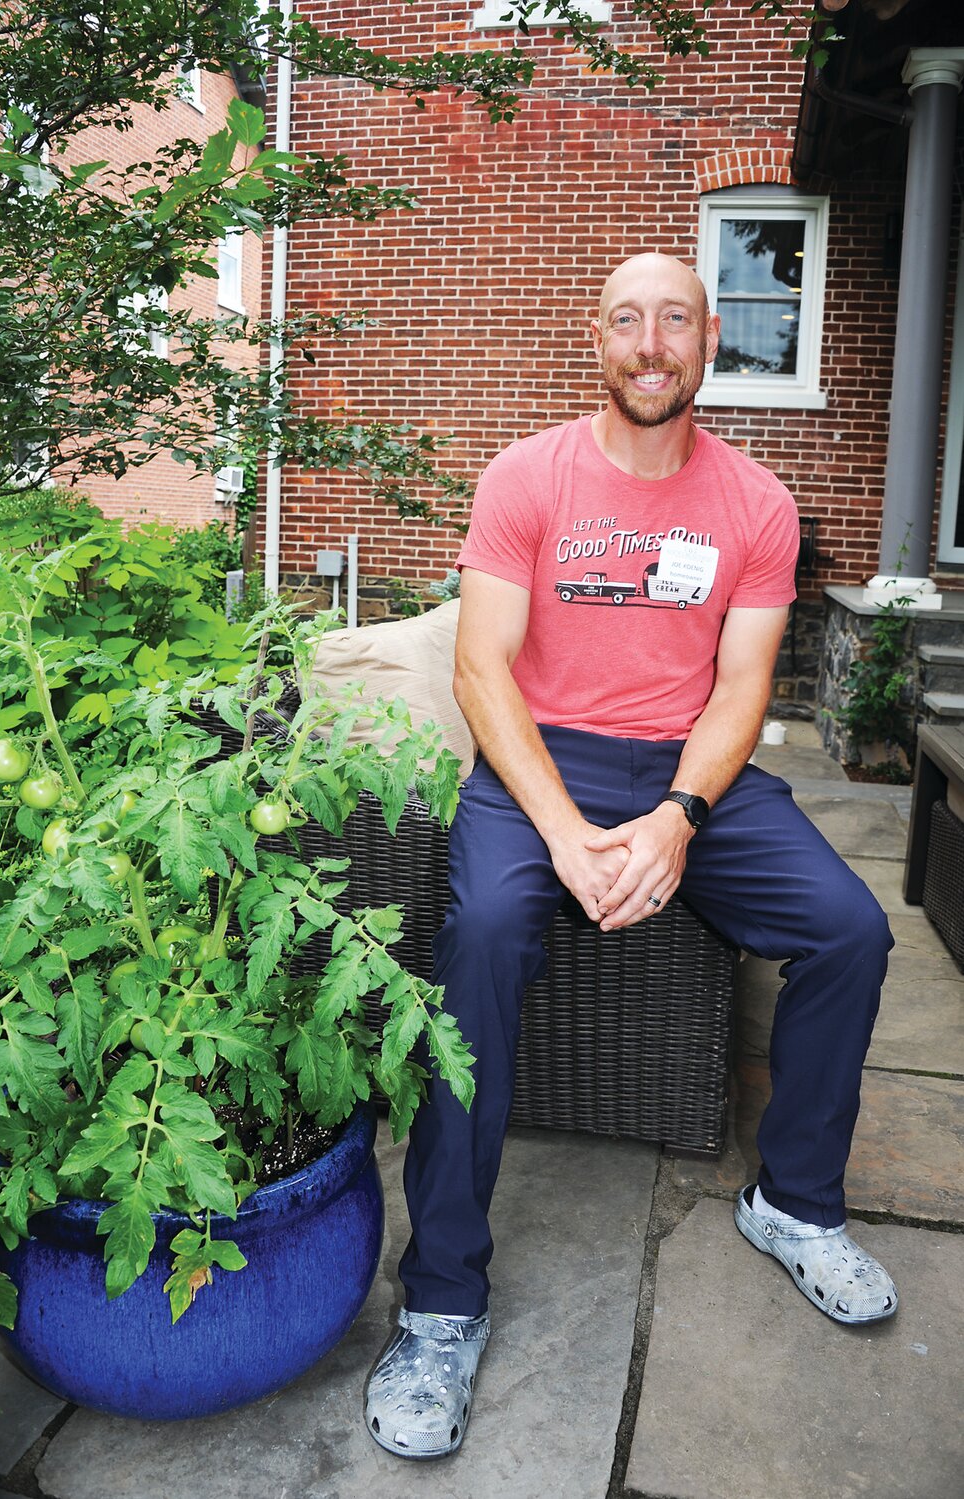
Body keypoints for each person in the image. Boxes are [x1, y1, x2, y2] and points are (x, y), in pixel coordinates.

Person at [363, 252, 898, 1462]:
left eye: (673, 320)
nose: (649, 343)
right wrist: (559, 832)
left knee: (848, 929)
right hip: (535, 762)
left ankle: (792, 1201)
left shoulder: (755, 503)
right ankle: (443, 1297)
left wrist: (673, 820)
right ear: (594, 338)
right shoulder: (525, 476)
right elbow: (480, 669)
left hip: (686, 768)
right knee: (486, 934)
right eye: (624, 320)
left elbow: (743, 688)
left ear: (710, 337)